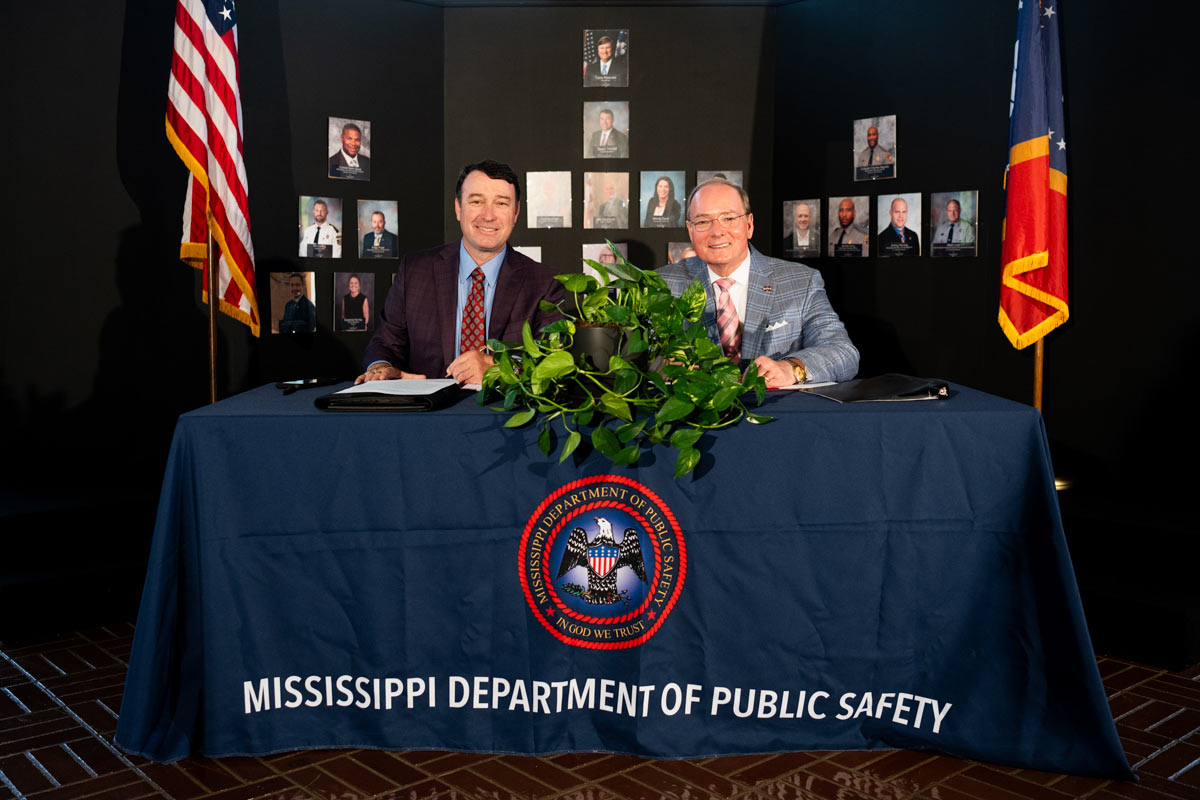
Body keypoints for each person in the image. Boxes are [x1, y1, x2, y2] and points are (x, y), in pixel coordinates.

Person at [357, 160, 566, 386]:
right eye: (476, 201)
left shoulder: (545, 284)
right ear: (458, 208)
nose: (488, 215)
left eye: (501, 203)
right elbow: (385, 344)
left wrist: (496, 368)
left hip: (503, 406)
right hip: (429, 407)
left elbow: (551, 364)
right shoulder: (415, 271)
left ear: (515, 212)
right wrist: (382, 369)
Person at [657, 179, 859, 388]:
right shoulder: (662, 285)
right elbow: (641, 359)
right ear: (690, 230)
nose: (717, 231)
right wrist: (662, 366)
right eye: (702, 222)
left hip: (777, 407)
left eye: (728, 218)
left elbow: (843, 352)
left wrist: (790, 368)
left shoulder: (801, 282)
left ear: (749, 225)